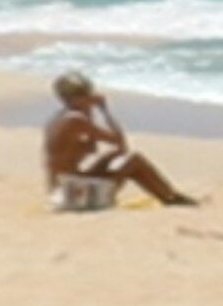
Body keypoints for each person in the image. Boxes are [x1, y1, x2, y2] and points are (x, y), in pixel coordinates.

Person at [44, 71, 198, 210]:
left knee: (116, 156)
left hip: (63, 190)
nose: (90, 97)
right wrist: (104, 110)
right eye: (86, 94)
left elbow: (93, 149)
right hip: (74, 196)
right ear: (75, 98)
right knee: (135, 160)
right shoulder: (76, 120)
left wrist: (89, 111)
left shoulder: (61, 118)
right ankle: (170, 198)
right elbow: (119, 141)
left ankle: (169, 196)